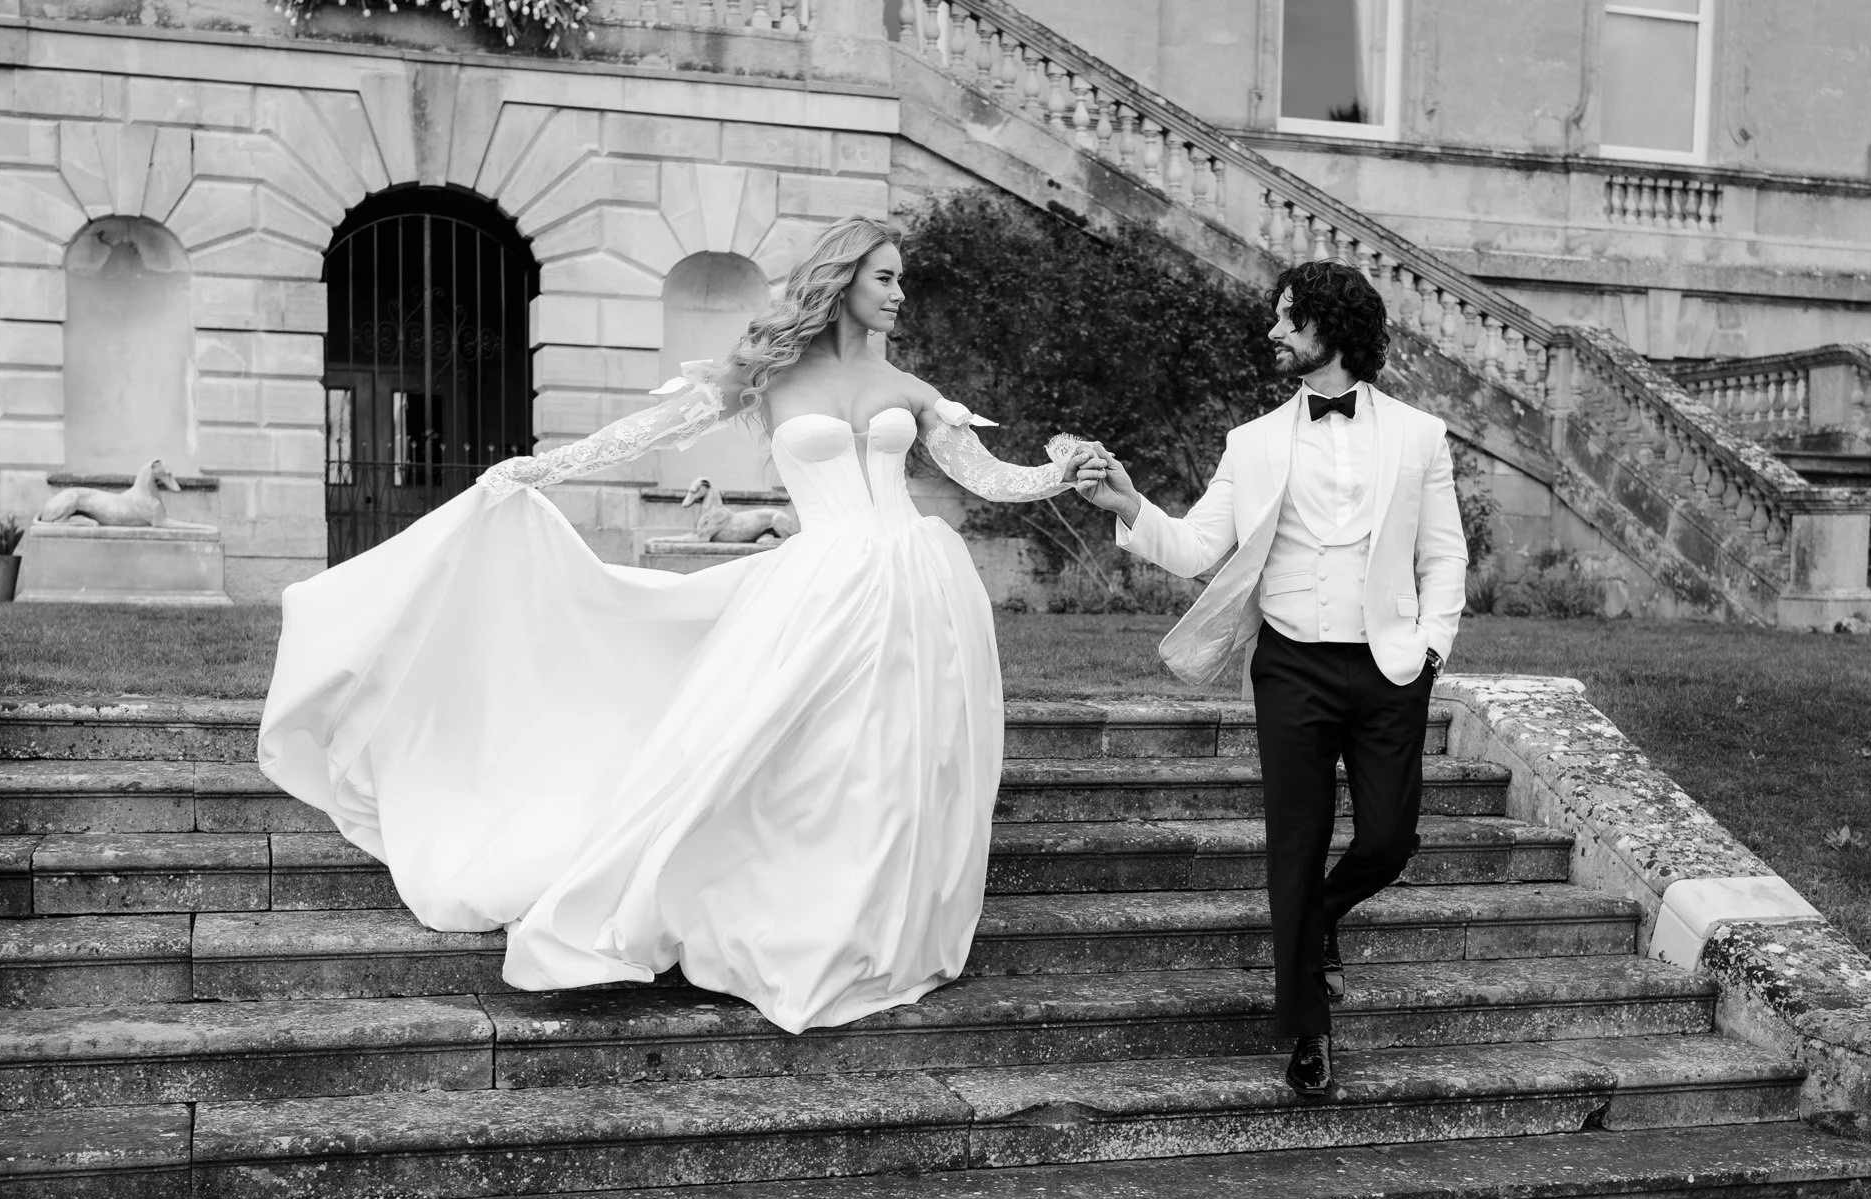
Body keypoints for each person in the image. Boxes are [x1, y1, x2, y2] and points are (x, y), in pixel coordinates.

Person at [258, 217, 1089, 1032]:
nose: (901, 293)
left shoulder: (909, 389)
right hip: (825, 586)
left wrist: (1063, 473)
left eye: (901, 278)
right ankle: (793, 918)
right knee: (803, 755)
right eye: (886, 277)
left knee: (894, 761)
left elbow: (991, 477)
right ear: (842, 282)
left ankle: (875, 931)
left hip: (915, 585)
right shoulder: (769, 374)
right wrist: (548, 465)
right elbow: (654, 429)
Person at [1071, 261, 1466, 1096]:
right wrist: (1128, 503)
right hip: (1290, 668)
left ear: (1333, 328)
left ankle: (1318, 920)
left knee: (1389, 840)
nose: (1273, 332)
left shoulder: (1420, 436)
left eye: (1289, 318)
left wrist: (1431, 648)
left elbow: (1444, 555)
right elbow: (1194, 547)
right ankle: (1308, 1031)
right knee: (1295, 845)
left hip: (1390, 668)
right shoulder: (1250, 444)